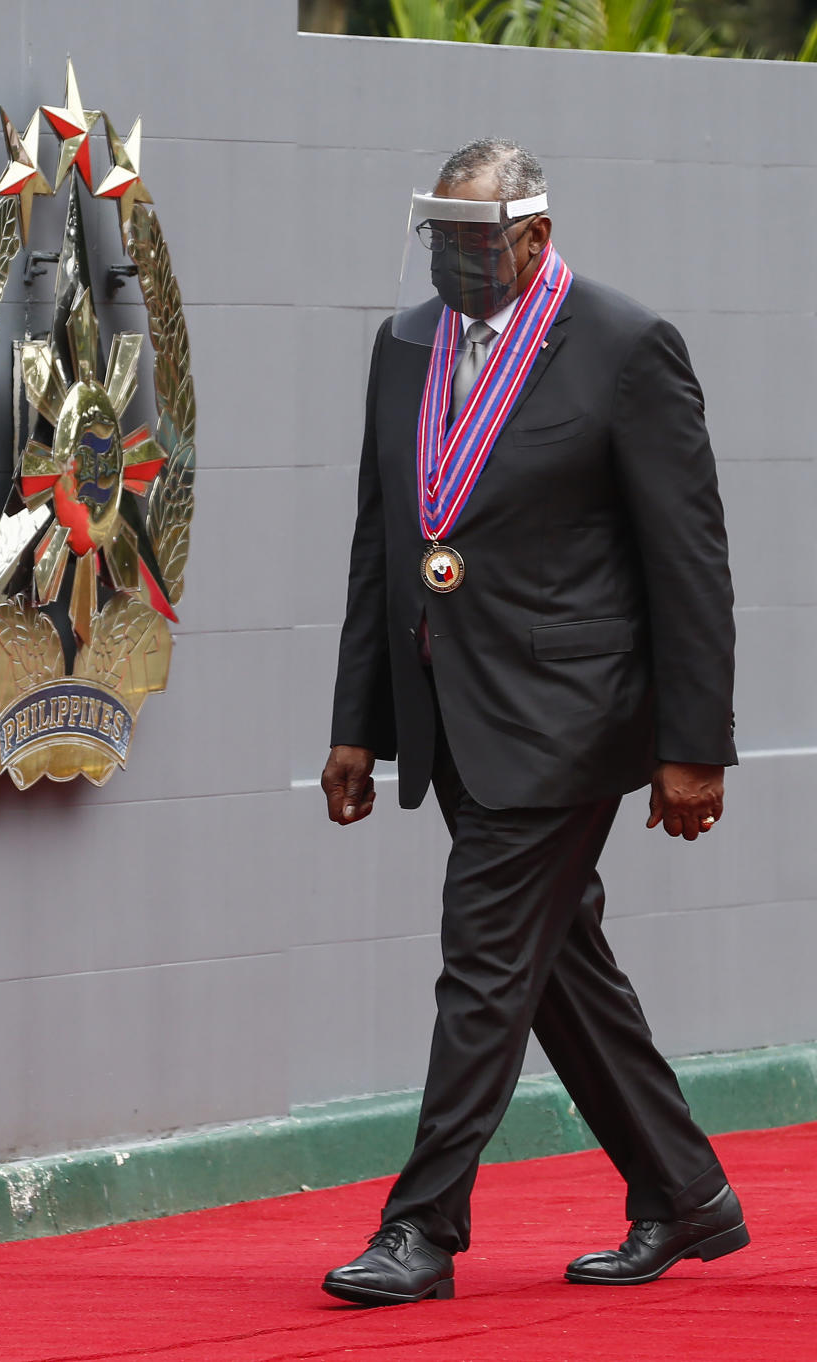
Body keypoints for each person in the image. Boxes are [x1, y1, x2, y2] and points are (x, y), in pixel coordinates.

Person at [319, 138, 747, 1307]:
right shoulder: (402, 346)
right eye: (441, 238)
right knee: (557, 966)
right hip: (450, 718)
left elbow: (689, 564)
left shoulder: (624, 348)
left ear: (534, 238)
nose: (455, 261)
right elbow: (385, 547)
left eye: (476, 239)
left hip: (570, 719)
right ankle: (684, 1188)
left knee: (485, 961)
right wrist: (358, 723)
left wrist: (692, 747)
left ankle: (424, 1230)